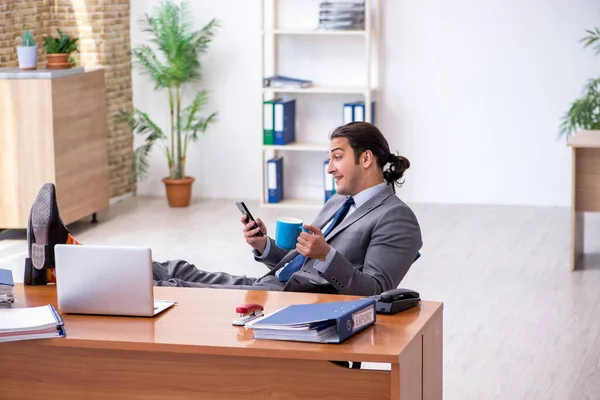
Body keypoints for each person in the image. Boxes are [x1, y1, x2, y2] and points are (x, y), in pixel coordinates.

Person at [24, 122, 422, 296]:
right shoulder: (338, 201)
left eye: (337, 156)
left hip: (297, 305)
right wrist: (266, 247)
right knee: (178, 269)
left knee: (174, 287)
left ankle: (63, 262)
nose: (330, 166)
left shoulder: (396, 218)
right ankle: (65, 253)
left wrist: (327, 254)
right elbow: (302, 263)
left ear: (366, 158)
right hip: (281, 286)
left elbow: (376, 292)